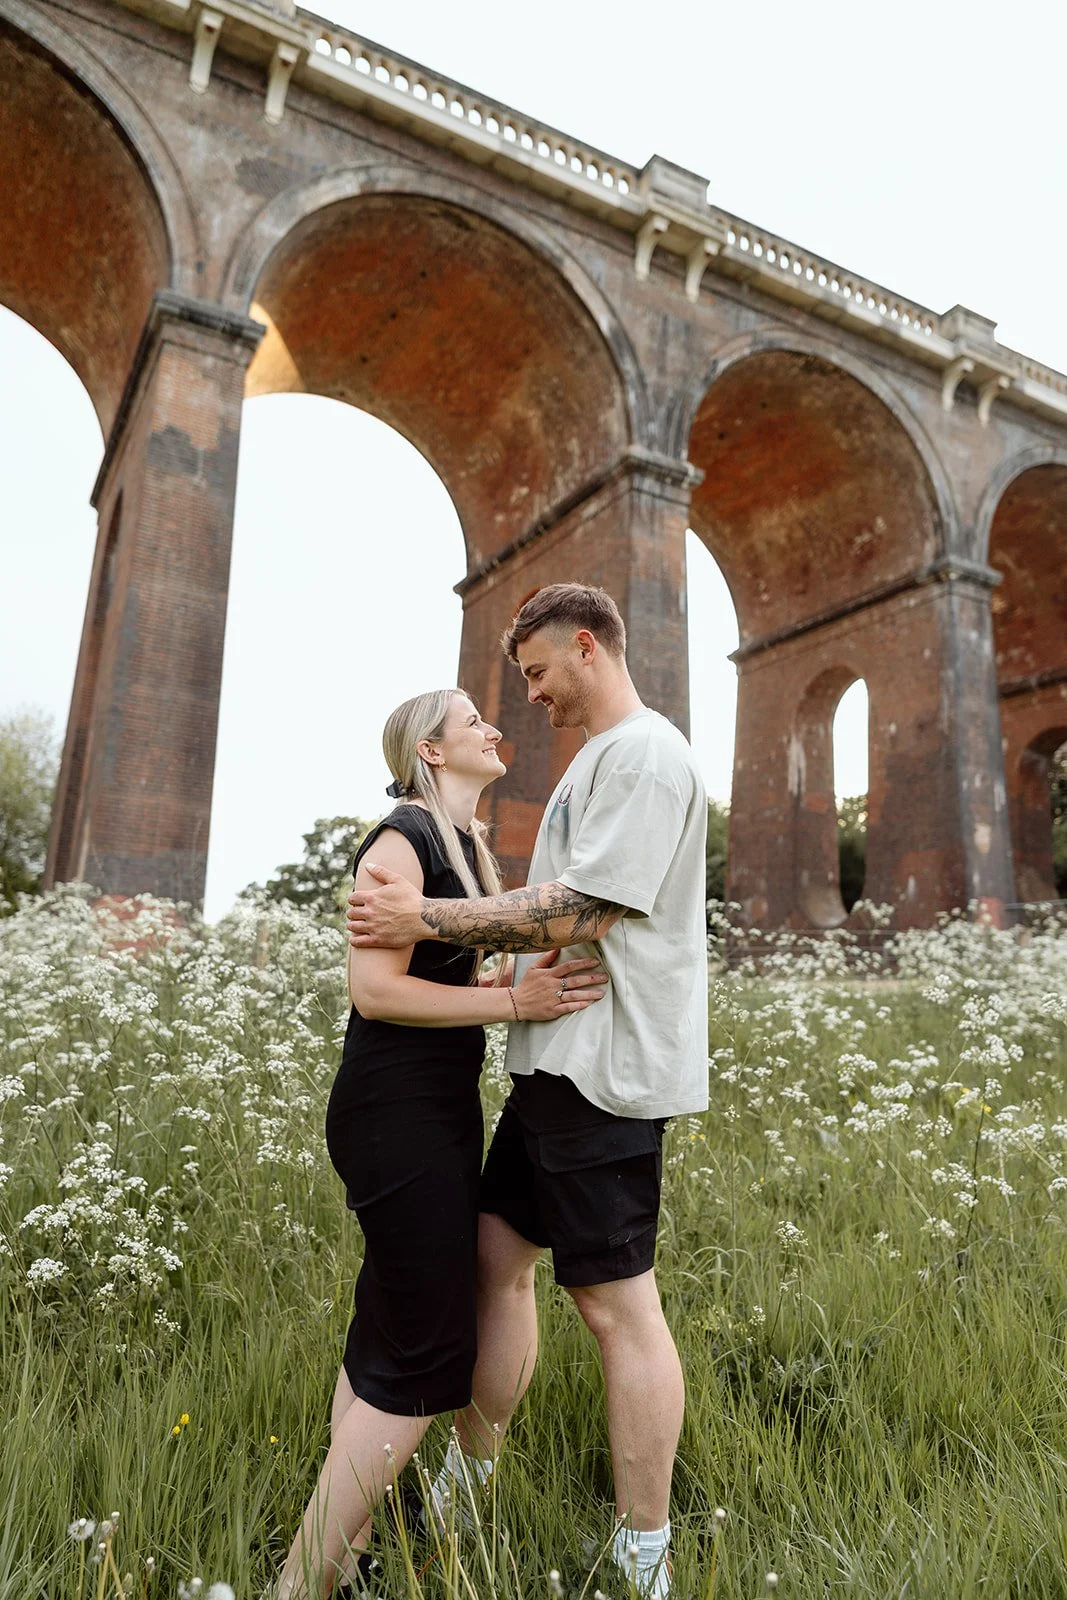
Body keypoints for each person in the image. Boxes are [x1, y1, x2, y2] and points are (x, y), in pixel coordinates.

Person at [346, 585, 709, 1597]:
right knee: (493, 1259)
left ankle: (644, 1556)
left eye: (539, 673)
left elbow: (581, 907)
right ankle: (465, 1481)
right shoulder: (597, 759)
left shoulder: (641, 754)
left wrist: (424, 919)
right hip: (554, 1066)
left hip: (606, 1074)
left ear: (585, 646)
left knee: (613, 1308)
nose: (531, 697)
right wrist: (507, 992)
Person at [278, 686, 608, 1600]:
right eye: (474, 723)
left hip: (440, 1109)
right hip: (393, 1112)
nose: (495, 729)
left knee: (388, 1326)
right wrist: (514, 1003)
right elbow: (376, 992)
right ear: (430, 748)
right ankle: (299, 1584)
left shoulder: (468, 847)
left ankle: (336, 1563)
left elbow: (474, 951)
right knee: (425, 1355)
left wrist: (531, 961)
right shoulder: (401, 840)